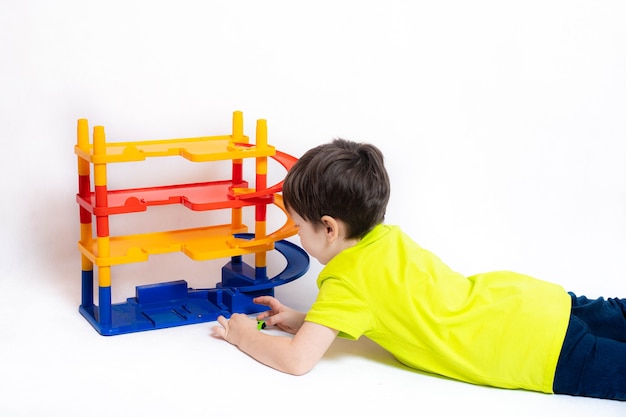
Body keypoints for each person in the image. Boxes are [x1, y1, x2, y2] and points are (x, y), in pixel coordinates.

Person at [212, 138, 626, 401]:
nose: (296, 234)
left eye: (298, 226)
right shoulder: (386, 238)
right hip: (537, 304)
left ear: (329, 228)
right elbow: (394, 304)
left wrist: (243, 335)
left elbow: (297, 362)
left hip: (541, 352)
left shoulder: (346, 282)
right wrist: (306, 319)